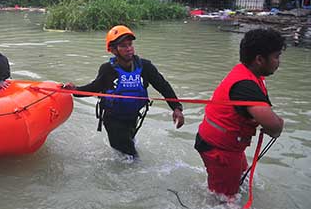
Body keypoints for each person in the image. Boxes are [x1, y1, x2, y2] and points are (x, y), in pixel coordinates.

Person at [63, 26, 184, 160]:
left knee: (125, 154)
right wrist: (74, 90)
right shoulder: (107, 69)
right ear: (114, 50)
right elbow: (94, 87)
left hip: (133, 119)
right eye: (123, 46)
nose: (129, 48)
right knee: (132, 159)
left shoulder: (145, 67)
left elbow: (163, 86)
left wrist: (177, 108)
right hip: (113, 120)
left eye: (130, 44)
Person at [195, 29, 285, 198]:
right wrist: (278, 125)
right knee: (225, 202)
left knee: (239, 183)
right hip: (219, 149)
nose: (278, 62)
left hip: (227, 145)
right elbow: (272, 125)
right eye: (276, 56)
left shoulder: (248, 75)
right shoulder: (245, 85)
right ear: (259, 59)